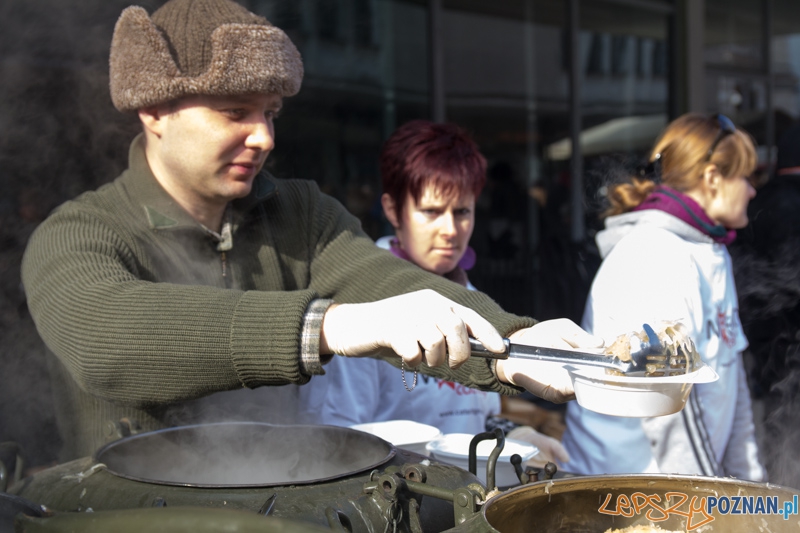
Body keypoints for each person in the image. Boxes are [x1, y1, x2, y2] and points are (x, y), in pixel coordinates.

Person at [20, 0, 599, 461]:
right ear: (153, 111)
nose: (264, 137)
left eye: (270, 112)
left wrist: (513, 345)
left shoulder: (298, 212)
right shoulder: (77, 233)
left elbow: (380, 278)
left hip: (289, 504)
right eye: (235, 111)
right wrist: (329, 325)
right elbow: (106, 337)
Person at [298, 120, 568, 464]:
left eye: (462, 212)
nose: (450, 230)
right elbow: (337, 434)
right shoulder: (361, 305)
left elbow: (471, 413)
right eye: (431, 212)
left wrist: (512, 434)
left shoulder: (473, 297)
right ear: (393, 210)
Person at [559, 113, 766, 481]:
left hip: (678, 488)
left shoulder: (709, 250)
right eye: (745, 176)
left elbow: (733, 385)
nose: (753, 189)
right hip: (626, 495)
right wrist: (708, 508)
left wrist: (751, 494)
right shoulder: (655, 254)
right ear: (713, 178)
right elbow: (669, 413)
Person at [731, 122, 800, 488]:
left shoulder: (757, 202)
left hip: (762, 335)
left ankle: (782, 492)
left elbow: (743, 269)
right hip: (791, 333)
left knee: (779, 418)